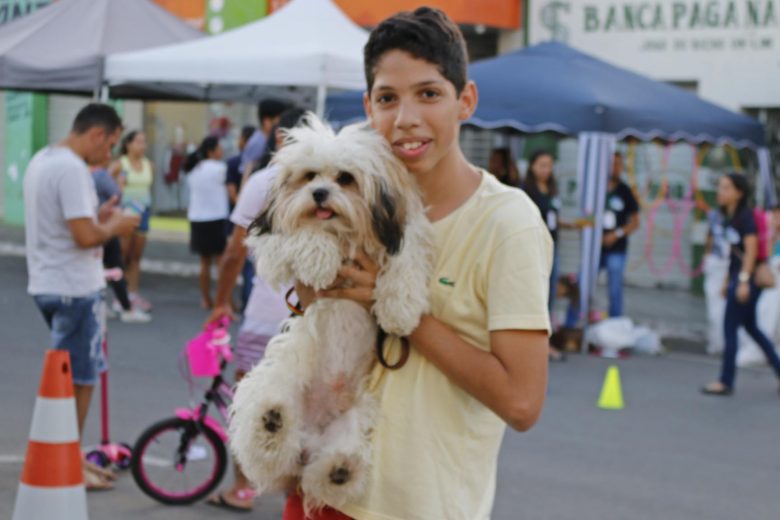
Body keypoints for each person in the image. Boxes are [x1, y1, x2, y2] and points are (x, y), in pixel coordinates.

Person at [288, 8, 552, 519]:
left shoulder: (507, 223)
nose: (405, 117)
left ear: (465, 101)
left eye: (428, 94)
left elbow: (522, 404)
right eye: (388, 98)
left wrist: (392, 304)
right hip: (320, 489)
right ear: (369, 107)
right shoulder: (354, 196)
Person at [24, 103, 139, 490]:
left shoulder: (44, 158)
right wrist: (117, 225)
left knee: (73, 378)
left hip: (49, 282)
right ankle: (66, 460)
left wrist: (101, 217)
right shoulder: (72, 168)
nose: (109, 155)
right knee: (79, 380)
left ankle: (68, 456)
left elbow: (74, 224)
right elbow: (85, 237)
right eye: (110, 145)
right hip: (73, 288)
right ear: (95, 135)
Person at [205, 107, 306, 512]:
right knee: (304, 410)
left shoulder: (263, 183)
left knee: (247, 405)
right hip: (308, 320)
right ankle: (297, 496)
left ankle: (243, 488)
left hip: (265, 314)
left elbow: (233, 252)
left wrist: (220, 302)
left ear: (280, 138)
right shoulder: (332, 184)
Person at [701, 173, 780, 396]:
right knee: (752, 328)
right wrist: (728, 280)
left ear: (739, 193)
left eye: (726, 188)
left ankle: (726, 381)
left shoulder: (745, 218)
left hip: (749, 278)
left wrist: (743, 282)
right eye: (720, 187)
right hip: (739, 276)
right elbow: (734, 255)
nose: (721, 192)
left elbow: (751, 251)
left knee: (730, 327)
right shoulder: (730, 216)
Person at [522, 150, 584, 361]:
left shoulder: (552, 190)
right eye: (542, 165)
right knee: (534, 297)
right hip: (532, 249)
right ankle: (529, 345)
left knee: (548, 297)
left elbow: (553, 219)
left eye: (549, 165)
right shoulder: (524, 191)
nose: (546, 170)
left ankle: (544, 343)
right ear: (532, 166)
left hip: (552, 248)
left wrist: (571, 225)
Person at [91, 154, 150, 323]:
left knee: (99, 268)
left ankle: (101, 304)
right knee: (116, 267)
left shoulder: (85, 174)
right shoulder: (102, 175)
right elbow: (117, 194)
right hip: (107, 227)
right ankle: (126, 308)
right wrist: (119, 181)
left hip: (95, 226)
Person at [111, 130, 154, 312]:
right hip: (125, 213)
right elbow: (108, 185)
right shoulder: (120, 164)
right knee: (123, 256)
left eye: (144, 142)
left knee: (136, 257)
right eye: (138, 142)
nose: (142, 146)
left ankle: (132, 294)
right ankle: (118, 297)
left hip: (143, 213)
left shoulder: (148, 165)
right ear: (128, 144)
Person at [184, 136, 229, 309]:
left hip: (197, 218)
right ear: (211, 151)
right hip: (216, 217)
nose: (222, 151)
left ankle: (205, 298)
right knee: (221, 262)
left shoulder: (193, 169)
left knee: (204, 263)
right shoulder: (220, 168)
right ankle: (224, 300)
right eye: (219, 147)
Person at [599, 151, 640, 317]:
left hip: (616, 248)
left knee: (615, 289)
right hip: (596, 248)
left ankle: (615, 326)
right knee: (582, 283)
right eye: (613, 163)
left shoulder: (625, 191)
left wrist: (617, 234)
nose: (616, 168)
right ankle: (571, 324)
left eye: (619, 164)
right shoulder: (597, 188)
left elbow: (635, 222)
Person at [225, 125, 256, 310]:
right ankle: (237, 301)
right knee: (240, 260)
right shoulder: (235, 162)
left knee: (249, 265)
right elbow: (232, 192)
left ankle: (247, 301)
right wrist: (245, 208)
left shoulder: (257, 163)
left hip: (247, 218)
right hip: (240, 219)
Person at [240, 99, 288, 181]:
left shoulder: (263, 139)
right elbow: (247, 170)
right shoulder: (258, 142)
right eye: (279, 121)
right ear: (267, 121)